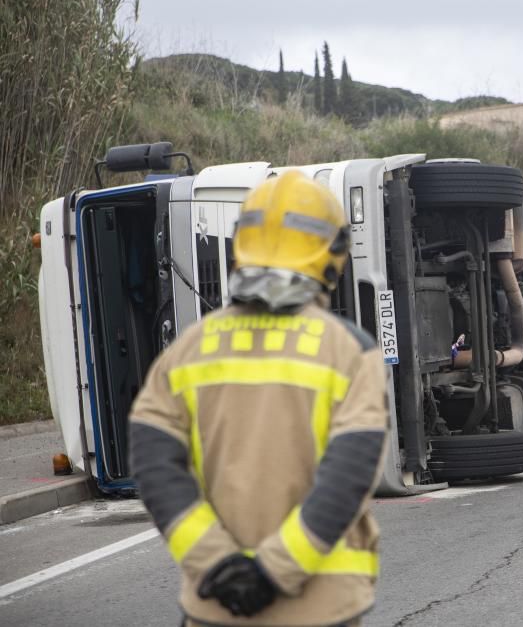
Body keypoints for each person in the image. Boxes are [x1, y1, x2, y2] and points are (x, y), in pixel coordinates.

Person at [129, 171, 387, 626]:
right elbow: (347, 476)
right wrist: (271, 572)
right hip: (320, 606)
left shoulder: (187, 350)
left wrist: (217, 565)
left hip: (215, 606)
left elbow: (154, 466)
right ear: (332, 255)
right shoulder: (350, 351)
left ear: (239, 245)